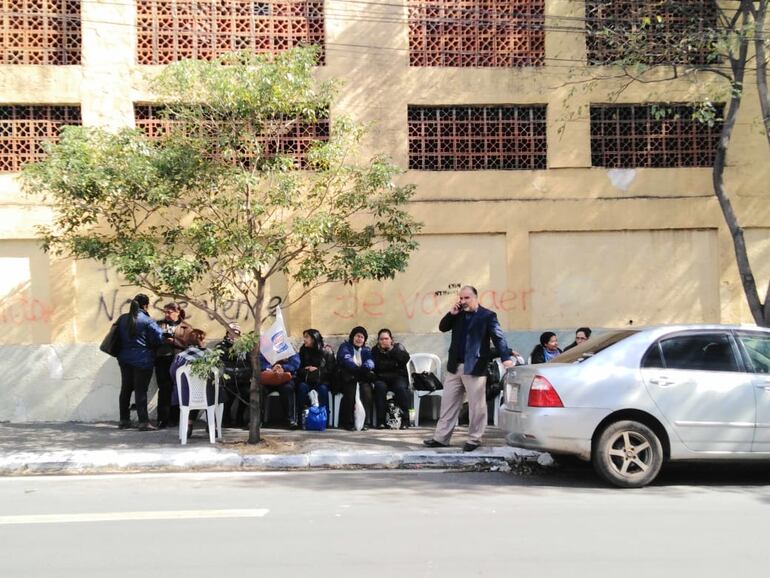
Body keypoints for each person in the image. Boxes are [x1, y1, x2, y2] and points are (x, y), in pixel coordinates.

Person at [424, 286, 513, 452]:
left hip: (475, 367)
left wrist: (506, 359)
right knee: (448, 404)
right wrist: (451, 313)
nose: (463, 301)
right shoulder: (458, 315)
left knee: (476, 406)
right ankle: (441, 438)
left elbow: (499, 338)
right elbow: (443, 327)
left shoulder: (487, 316)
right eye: (461, 298)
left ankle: (474, 439)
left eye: (467, 298)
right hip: (454, 366)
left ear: (475, 297)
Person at [116, 293, 164, 431]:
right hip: (143, 359)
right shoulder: (147, 320)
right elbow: (158, 338)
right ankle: (143, 422)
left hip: (124, 358)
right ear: (145, 305)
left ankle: (124, 420)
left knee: (125, 388)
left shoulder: (122, 319)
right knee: (140, 390)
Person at [154, 302, 194, 429]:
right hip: (162, 359)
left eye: (169, 312)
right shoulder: (158, 324)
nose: (166, 314)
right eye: (165, 312)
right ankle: (162, 419)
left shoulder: (186, 328)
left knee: (178, 389)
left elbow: (190, 346)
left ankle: (175, 418)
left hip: (178, 360)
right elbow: (151, 340)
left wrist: (174, 341)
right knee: (164, 389)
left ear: (177, 312)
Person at [170, 328, 210, 437]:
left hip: (183, 396)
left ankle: (188, 424)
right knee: (212, 392)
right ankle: (212, 425)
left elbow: (173, 373)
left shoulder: (180, 356)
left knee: (192, 394)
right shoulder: (209, 355)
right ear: (201, 340)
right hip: (205, 395)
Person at [336, 326, 375, 431]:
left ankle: (365, 422)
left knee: (367, 391)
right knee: (350, 391)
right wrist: (360, 370)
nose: (359, 339)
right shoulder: (345, 347)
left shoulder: (366, 350)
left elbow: (370, 361)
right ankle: (348, 422)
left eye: (362, 337)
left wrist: (366, 367)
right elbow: (346, 360)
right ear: (352, 337)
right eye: (357, 336)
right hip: (347, 378)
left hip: (361, 378)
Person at [371, 328, 411, 429]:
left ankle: (405, 420)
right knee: (379, 387)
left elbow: (404, 359)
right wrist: (393, 364)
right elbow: (377, 366)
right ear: (378, 340)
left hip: (398, 377)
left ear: (391, 339)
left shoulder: (398, 347)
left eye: (386, 338)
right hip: (382, 378)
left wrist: (392, 350)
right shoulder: (375, 350)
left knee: (401, 388)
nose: (384, 341)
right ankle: (381, 421)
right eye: (381, 339)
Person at [216, 323, 252, 428]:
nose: (234, 336)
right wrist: (233, 348)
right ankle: (226, 419)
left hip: (243, 379)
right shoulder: (220, 346)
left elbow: (249, 362)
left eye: (236, 334)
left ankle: (240, 418)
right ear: (227, 334)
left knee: (247, 394)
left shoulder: (245, 347)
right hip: (228, 380)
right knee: (227, 397)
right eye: (231, 333)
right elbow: (223, 358)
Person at [295, 329, 335, 421]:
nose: (304, 339)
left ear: (313, 339)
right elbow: (299, 367)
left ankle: (324, 419)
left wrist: (318, 370)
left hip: (321, 380)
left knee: (323, 389)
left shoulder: (326, 350)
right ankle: (302, 420)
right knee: (302, 387)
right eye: (304, 337)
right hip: (307, 379)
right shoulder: (303, 350)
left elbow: (331, 369)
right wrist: (305, 369)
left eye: (306, 337)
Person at [260, 351, 300, 429]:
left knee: (287, 389)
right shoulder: (266, 348)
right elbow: (260, 362)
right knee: (260, 389)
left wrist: (282, 367)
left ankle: (290, 419)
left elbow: (295, 365)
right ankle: (259, 419)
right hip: (269, 378)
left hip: (284, 379)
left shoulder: (289, 349)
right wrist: (271, 368)